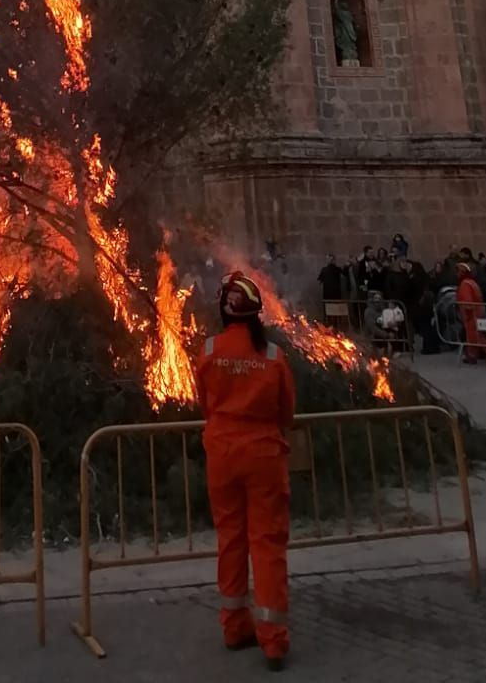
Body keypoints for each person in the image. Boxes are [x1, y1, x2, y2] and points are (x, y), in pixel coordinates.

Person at [195, 270, 296, 671]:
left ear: (224, 310)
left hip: (222, 456)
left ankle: (235, 627)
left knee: (231, 540)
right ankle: (272, 640)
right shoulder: (272, 357)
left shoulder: (208, 352)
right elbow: (286, 412)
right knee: (267, 543)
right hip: (264, 458)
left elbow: (204, 404)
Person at [456, 261, 486, 365]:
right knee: (472, 336)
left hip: (471, 313)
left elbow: (467, 301)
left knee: (476, 336)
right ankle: (472, 355)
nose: (456, 274)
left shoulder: (464, 284)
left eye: (458, 271)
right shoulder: (472, 282)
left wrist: (466, 312)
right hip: (478, 311)